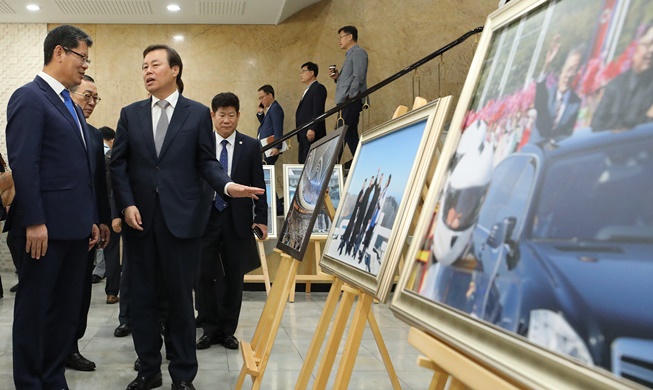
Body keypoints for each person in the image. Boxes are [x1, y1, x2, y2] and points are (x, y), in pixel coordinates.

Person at [110, 44, 263, 390]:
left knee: (181, 300)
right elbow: (117, 165)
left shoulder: (197, 114)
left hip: (183, 223)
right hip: (140, 221)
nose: (147, 71)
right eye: (144, 66)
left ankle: (182, 375)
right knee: (145, 300)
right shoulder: (130, 114)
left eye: (155, 64)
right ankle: (148, 369)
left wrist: (227, 186)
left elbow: (206, 162)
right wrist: (126, 204)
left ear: (175, 70)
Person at [5, 24, 101, 389]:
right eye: (81, 56)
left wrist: (90, 218)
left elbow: (79, 169)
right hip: (43, 231)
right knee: (36, 310)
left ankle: (52, 376)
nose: (84, 65)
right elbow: (24, 163)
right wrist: (34, 221)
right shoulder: (30, 97)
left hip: (74, 229)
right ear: (59, 52)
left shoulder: (68, 103)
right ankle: (31, 381)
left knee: (64, 312)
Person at [195, 92, 268, 351]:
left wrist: (261, 218)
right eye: (221, 114)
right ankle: (208, 328)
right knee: (203, 275)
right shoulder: (201, 144)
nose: (226, 120)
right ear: (212, 116)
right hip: (205, 218)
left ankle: (227, 330)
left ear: (239, 116)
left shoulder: (249, 146)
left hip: (237, 220)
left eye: (231, 114)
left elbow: (259, 184)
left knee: (234, 276)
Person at [66, 75, 112, 372]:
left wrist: (104, 220)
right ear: (70, 96)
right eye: (87, 96)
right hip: (58, 227)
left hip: (88, 229)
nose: (91, 103)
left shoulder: (95, 136)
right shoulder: (58, 127)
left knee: (81, 292)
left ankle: (71, 347)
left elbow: (98, 182)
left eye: (96, 98)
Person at [591, 23, 653, 131]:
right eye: (648, 44)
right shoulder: (615, 87)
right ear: (635, 48)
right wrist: (647, 118)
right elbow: (596, 127)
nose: (652, 50)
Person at [330, 25, 368, 160]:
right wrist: (338, 78)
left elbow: (359, 76)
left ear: (350, 36)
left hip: (350, 101)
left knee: (341, 134)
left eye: (341, 37)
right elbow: (350, 78)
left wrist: (350, 96)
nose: (339, 40)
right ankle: (362, 161)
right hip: (346, 100)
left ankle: (333, 168)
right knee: (349, 135)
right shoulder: (351, 55)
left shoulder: (358, 53)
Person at [533, 38, 583, 141]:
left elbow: (568, 133)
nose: (568, 76)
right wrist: (546, 64)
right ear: (561, 70)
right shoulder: (548, 94)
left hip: (555, 153)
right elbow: (539, 102)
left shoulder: (575, 103)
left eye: (574, 70)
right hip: (536, 151)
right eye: (568, 69)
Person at [295, 62, 327, 163]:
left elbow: (318, 110)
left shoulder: (318, 88)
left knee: (310, 163)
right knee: (303, 162)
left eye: (303, 71)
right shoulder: (308, 90)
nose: (301, 74)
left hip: (311, 133)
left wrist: (312, 128)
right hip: (303, 133)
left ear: (312, 73)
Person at [256, 84, 285, 165]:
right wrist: (261, 113)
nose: (261, 101)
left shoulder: (275, 108)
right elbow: (265, 125)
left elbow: (278, 128)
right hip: (265, 146)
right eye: (259, 98)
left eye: (262, 97)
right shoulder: (270, 108)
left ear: (270, 95)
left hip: (270, 147)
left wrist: (277, 147)